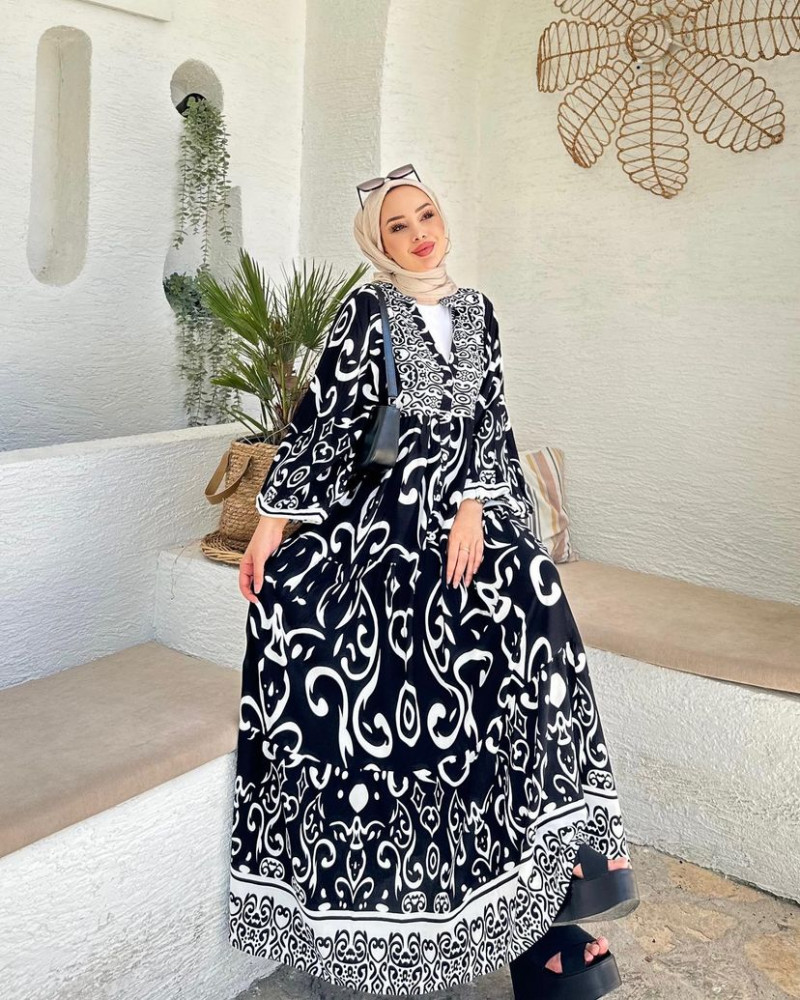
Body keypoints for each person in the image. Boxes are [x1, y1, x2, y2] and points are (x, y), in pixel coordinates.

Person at [228, 165, 638, 998]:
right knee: (388, 644)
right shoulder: (368, 313)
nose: (419, 234)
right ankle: (512, 932)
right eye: (398, 226)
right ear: (376, 243)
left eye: (427, 215)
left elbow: (492, 418)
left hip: (470, 514)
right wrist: (271, 526)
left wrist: (474, 508)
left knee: (533, 603)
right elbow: (322, 420)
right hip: (384, 518)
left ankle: (559, 894)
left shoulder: (479, 311)